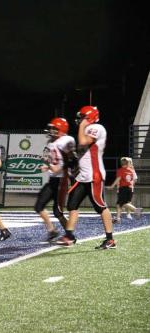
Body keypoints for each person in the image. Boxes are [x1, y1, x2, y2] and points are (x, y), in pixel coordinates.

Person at [56, 106, 116, 249]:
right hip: (83, 176)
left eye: (83, 117)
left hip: (93, 175)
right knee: (72, 204)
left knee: (100, 205)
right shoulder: (87, 129)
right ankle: (69, 235)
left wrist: (83, 125)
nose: (80, 120)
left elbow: (83, 142)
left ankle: (110, 239)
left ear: (89, 117)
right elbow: (82, 153)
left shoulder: (96, 127)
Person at [34, 117, 75, 241]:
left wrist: (51, 166)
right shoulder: (52, 143)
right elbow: (50, 161)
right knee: (39, 206)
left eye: (54, 129)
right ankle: (52, 231)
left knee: (58, 213)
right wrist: (47, 163)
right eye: (51, 128)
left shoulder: (66, 141)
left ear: (62, 129)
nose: (51, 131)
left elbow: (70, 161)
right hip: (53, 180)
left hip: (62, 180)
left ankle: (70, 236)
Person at [106, 157, 142, 222]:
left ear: (121, 163)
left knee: (122, 203)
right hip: (130, 189)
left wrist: (112, 186)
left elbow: (118, 179)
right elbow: (133, 180)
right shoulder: (131, 170)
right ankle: (118, 218)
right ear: (128, 163)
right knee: (119, 204)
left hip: (123, 189)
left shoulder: (120, 170)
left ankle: (136, 210)